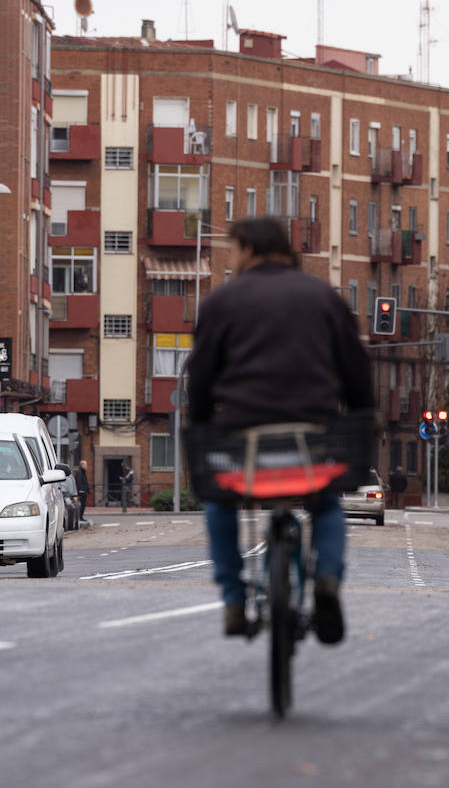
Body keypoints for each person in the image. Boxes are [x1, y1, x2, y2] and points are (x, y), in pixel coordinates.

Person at [186, 216, 374, 643]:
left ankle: (234, 600)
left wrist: (200, 427)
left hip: (242, 442)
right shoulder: (324, 298)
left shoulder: (221, 302)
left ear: (250, 249)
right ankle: (327, 579)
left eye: (233, 251)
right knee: (325, 504)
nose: (232, 260)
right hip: (313, 437)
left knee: (219, 504)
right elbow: (356, 372)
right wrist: (364, 416)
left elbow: (200, 377)